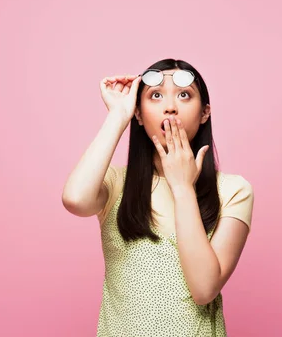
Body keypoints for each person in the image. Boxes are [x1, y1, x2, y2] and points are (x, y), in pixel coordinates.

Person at [61, 58, 254, 336]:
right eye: (156, 95)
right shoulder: (117, 183)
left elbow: (203, 289)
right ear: (139, 114)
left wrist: (183, 187)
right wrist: (118, 114)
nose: (171, 106)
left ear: (204, 113)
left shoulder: (233, 191)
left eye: (184, 95)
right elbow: (75, 200)